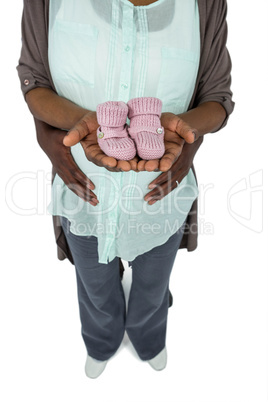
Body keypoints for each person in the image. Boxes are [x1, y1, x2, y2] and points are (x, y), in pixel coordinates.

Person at [17, 0, 234, 379]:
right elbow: (34, 79)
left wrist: (184, 132)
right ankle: (101, 341)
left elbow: (217, 97)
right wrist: (71, 125)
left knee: (153, 286)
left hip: (160, 198)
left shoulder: (205, 4)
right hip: (84, 193)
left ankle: (149, 339)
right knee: (95, 288)